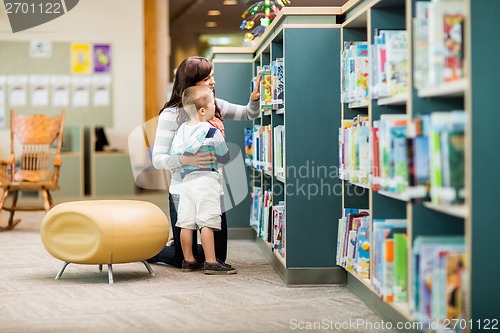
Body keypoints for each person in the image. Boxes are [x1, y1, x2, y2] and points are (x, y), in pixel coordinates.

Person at [149, 56, 261, 269]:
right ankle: (151, 250)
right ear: (192, 82)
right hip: (182, 190)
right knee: (182, 256)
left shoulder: (213, 105)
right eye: (207, 78)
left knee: (218, 257)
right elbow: (157, 159)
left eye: (212, 76)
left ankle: (181, 244)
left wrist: (254, 99)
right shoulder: (171, 115)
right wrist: (185, 159)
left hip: (210, 188)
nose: (213, 82)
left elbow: (249, 113)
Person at [171, 85, 236, 274]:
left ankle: (189, 260)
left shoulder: (181, 130)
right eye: (212, 106)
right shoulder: (211, 131)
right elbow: (224, 156)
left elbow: (175, 154)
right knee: (207, 221)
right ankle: (211, 261)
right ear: (202, 111)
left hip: (186, 182)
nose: (215, 109)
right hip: (206, 181)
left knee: (186, 222)